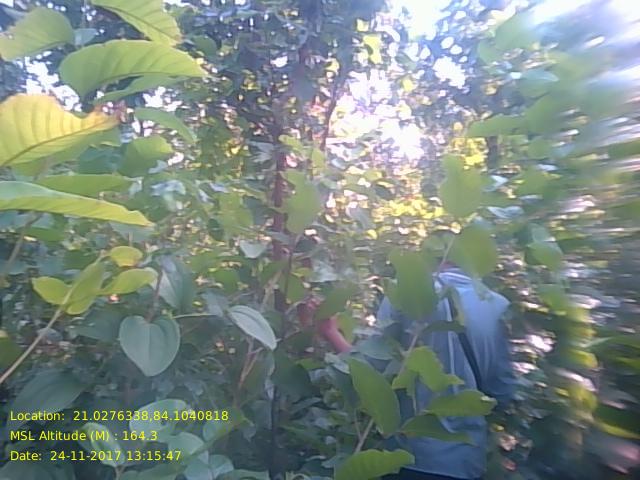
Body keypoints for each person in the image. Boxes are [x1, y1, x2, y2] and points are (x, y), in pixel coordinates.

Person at [311, 261, 517, 480]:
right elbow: (502, 392)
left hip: (407, 458)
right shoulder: (497, 305)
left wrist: (331, 332)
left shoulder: (404, 291)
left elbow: (371, 373)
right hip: (465, 462)